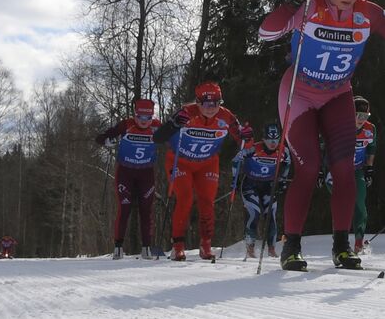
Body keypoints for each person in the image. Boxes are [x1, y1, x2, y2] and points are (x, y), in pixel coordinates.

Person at [258, 0, 385, 271]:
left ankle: (342, 246)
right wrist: (294, 0)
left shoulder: (368, 13)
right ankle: (291, 246)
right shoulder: (310, 5)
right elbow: (266, 33)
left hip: (338, 94)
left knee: (345, 169)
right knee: (308, 167)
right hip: (299, 94)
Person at [151, 81, 247, 261]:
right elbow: (157, 138)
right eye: (206, 103)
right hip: (180, 161)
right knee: (185, 198)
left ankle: (206, 245)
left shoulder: (226, 117)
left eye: (216, 103)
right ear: (197, 102)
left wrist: (247, 137)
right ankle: (178, 246)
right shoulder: (186, 112)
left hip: (207, 163)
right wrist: (173, 124)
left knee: (207, 201)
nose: (211, 108)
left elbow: (243, 140)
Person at [97, 98, 163, 259]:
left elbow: (173, 136)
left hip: (146, 173)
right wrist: (107, 141)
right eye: (140, 117)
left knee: (146, 210)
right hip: (125, 172)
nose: (144, 122)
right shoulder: (126, 125)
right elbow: (101, 137)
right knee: (124, 208)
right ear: (135, 115)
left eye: (148, 118)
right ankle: (118, 247)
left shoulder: (156, 126)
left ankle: (146, 247)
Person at [231, 124, 283, 259]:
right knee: (255, 213)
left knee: (270, 214)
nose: (273, 143)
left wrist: (282, 180)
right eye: (269, 139)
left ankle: (271, 249)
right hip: (250, 184)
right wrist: (234, 179)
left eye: (276, 139)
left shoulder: (282, 151)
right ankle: (250, 247)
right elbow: (236, 160)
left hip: (268, 185)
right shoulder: (253, 149)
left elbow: (287, 163)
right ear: (263, 139)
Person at [351, 96, 377, 254]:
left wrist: (369, 169)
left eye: (365, 116)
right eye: (358, 115)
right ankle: (339, 241)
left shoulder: (370, 128)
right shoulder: (341, 126)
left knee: (360, 202)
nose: (361, 119)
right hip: (337, 170)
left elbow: (372, 148)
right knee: (342, 203)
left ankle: (359, 242)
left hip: (357, 169)